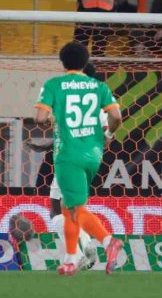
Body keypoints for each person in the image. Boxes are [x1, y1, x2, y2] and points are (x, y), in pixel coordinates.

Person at [34, 41, 124, 276]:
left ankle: (107, 241)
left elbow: (39, 118)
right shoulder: (99, 87)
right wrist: (108, 134)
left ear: (62, 62)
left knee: (70, 208)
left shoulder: (55, 85)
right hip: (93, 156)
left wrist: (51, 121)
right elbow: (116, 116)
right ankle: (71, 260)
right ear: (86, 62)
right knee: (68, 207)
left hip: (68, 155)